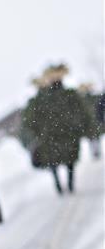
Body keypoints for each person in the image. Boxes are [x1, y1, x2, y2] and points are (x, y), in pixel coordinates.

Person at [20, 64, 94, 194]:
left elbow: (81, 112)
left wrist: (78, 127)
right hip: (50, 135)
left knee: (69, 159)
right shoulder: (41, 98)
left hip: (67, 133)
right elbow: (31, 119)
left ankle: (70, 183)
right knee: (54, 161)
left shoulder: (69, 94)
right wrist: (40, 132)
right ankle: (58, 183)